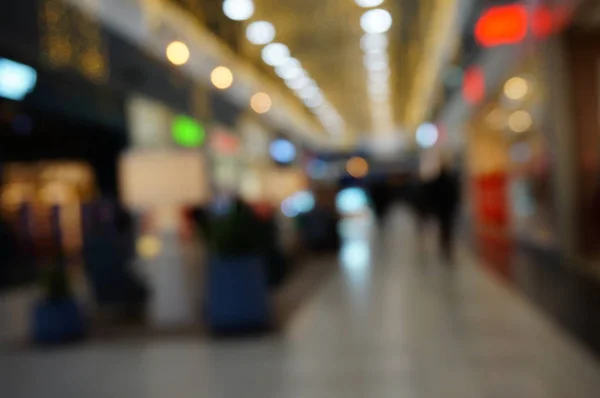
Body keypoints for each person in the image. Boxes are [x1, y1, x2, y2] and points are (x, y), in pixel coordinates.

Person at [430, 164, 460, 262]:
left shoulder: (437, 182)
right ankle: (447, 245)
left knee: (443, 227)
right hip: (448, 208)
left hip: (442, 209)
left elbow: (433, 196)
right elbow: (455, 195)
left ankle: (444, 244)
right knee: (448, 227)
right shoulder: (450, 181)